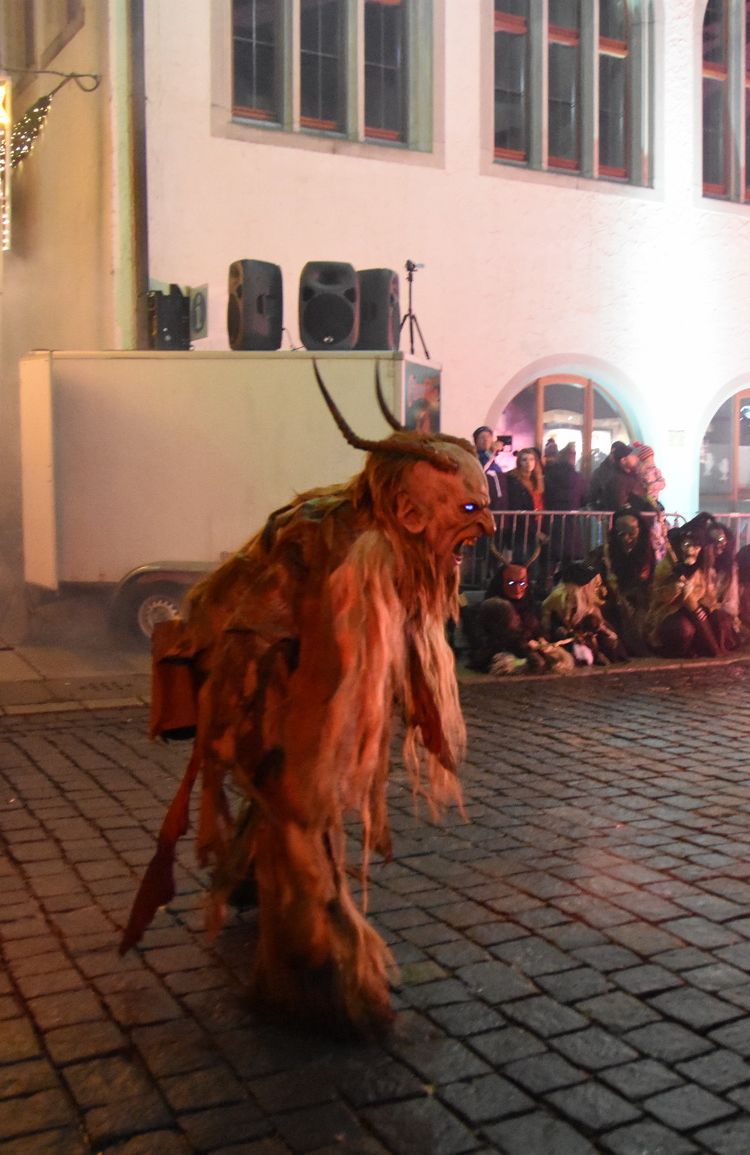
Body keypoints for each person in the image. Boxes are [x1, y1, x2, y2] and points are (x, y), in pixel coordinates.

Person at [123, 371, 493, 1037]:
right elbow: (264, 672)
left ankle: (250, 881)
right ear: (410, 513)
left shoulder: (395, 548)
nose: (486, 524)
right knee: (300, 805)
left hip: (283, 661)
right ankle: (316, 974)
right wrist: (233, 788)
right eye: (468, 510)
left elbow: (398, 636)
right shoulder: (337, 551)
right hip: (249, 664)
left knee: (296, 794)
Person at [644, 523, 731, 658]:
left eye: (695, 546)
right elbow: (657, 597)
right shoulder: (666, 566)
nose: (691, 550)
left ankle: (712, 649)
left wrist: (701, 608)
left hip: (694, 611)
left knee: (718, 617)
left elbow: (709, 595)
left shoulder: (702, 568)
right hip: (669, 613)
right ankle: (677, 651)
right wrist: (674, 590)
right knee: (684, 628)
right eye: (687, 545)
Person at [466, 560, 568, 675]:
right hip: (501, 650)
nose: (517, 588)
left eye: (522, 583)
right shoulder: (495, 605)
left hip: (524, 648)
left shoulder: (527, 603)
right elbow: (507, 634)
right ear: (501, 582)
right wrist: (528, 643)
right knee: (537, 663)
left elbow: (534, 626)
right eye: (511, 583)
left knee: (556, 661)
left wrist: (541, 639)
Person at [590, 506, 656, 656]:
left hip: (640, 603)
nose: (626, 539)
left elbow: (645, 582)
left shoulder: (645, 551)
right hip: (612, 603)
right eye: (621, 534)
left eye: (631, 534)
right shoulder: (606, 552)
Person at [542, 560, 626, 665]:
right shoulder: (565, 601)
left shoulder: (587, 603)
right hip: (567, 639)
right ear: (584, 586)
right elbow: (563, 628)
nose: (597, 589)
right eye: (595, 585)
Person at [542, 442, 587, 510]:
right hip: (572, 514)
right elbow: (584, 499)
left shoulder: (550, 474)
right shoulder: (578, 477)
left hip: (552, 514)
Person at [472, 426, 507, 509]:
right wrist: (491, 452)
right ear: (476, 442)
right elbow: (482, 468)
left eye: (488, 437)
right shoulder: (474, 458)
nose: (486, 439)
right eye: (482, 437)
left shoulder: (494, 461)